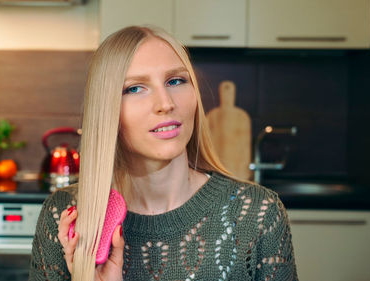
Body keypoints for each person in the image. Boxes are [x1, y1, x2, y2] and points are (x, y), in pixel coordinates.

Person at [29, 25, 298, 281]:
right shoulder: (66, 215)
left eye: (176, 80)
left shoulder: (258, 213)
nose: (166, 103)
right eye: (135, 88)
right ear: (107, 109)